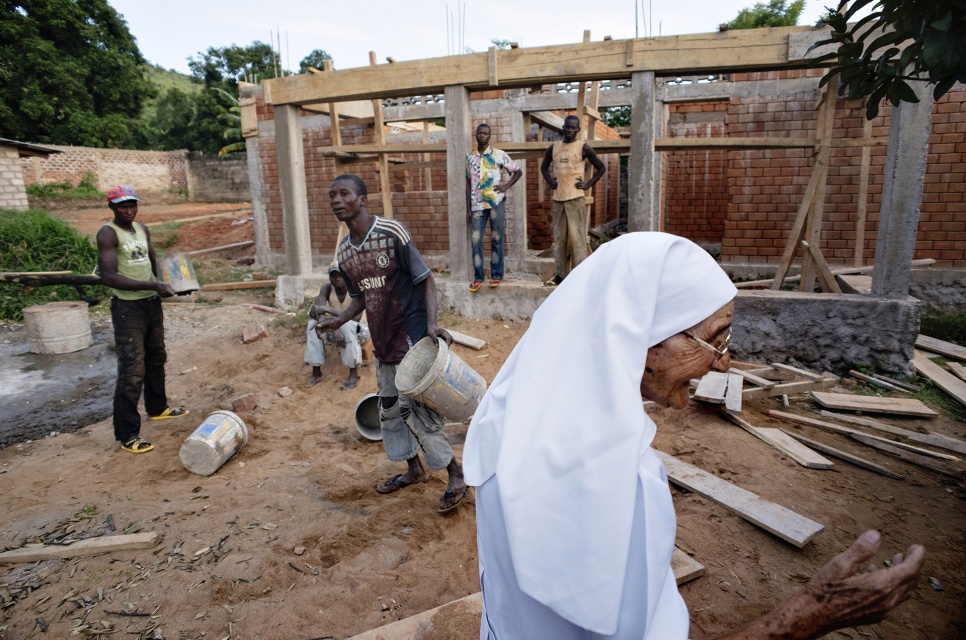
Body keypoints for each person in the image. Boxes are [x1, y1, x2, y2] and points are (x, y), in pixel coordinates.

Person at [462, 233, 924, 639]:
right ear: (643, 341)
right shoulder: (619, 486)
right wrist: (815, 613)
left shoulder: (508, 414)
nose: (723, 362)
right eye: (716, 339)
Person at [316, 174, 470, 514]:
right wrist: (340, 319)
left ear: (362, 198)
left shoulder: (391, 232)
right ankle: (413, 469)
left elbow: (426, 279)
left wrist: (431, 324)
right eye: (332, 195)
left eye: (344, 194)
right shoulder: (345, 253)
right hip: (384, 342)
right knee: (389, 411)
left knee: (415, 413)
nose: (336, 200)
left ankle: (455, 473)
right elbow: (360, 298)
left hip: (412, 338)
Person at [96, 185, 189, 454]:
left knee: (156, 356)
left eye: (132, 205)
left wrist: (172, 282)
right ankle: (127, 434)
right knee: (132, 370)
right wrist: (151, 286)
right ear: (112, 208)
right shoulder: (107, 234)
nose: (129, 210)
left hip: (151, 304)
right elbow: (109, 276)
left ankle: (158, 408)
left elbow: (152, 263)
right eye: (123, 206)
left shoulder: (142, 229)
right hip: (128, 309)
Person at [539, 114, 606, 287]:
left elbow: (601, 168)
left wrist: (587, 185)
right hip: (558, 199)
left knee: (577, 239)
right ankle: (560, 275)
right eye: (567, 127)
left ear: (578, 129)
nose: (569, 130)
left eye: (572, 127)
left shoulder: (583, 147)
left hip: (575, 198)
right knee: (560, 238)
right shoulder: (554, 147)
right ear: (563, 127)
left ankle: (580, 276)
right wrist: (550, 181)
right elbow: (543, 167)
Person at [465, 123, 522, 292]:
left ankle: (496, 275)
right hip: (476, 205)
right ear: (475, 135)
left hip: (495, 203)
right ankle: (478, 277)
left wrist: (505, 187)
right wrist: (468, 207)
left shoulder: (499, 155)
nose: (482, 136)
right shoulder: (469, 157)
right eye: (479, 133)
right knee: (476, 240)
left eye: (485, 133)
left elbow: (517, 171)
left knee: (496, 239)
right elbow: (468, 184)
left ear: (489, 136)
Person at [305, 263, 370, 390]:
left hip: (361, 330)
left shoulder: (356, 288)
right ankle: (316, 371)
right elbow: (317, 311)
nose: (336, 279)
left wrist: (327, 310)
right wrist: (333, 324)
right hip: (336, 329)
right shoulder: (327, 288)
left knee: (348, 325)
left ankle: (353, 374)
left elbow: (355, 317)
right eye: (333, 276)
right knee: (312, 325)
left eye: (340, 275)